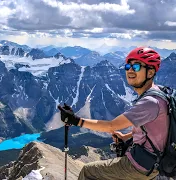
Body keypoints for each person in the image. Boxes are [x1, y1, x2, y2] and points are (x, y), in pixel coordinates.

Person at [58, 47, 169, 180]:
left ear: (150, 73)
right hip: (154, 162)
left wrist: (76, 121)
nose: (130, 70)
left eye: (137, 67)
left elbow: (112, 126)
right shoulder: (159, 93)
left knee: (88, 171)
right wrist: (126, 137)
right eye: (128, 66)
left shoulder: (150, 102)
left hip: (142, 165)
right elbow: (154, 130)